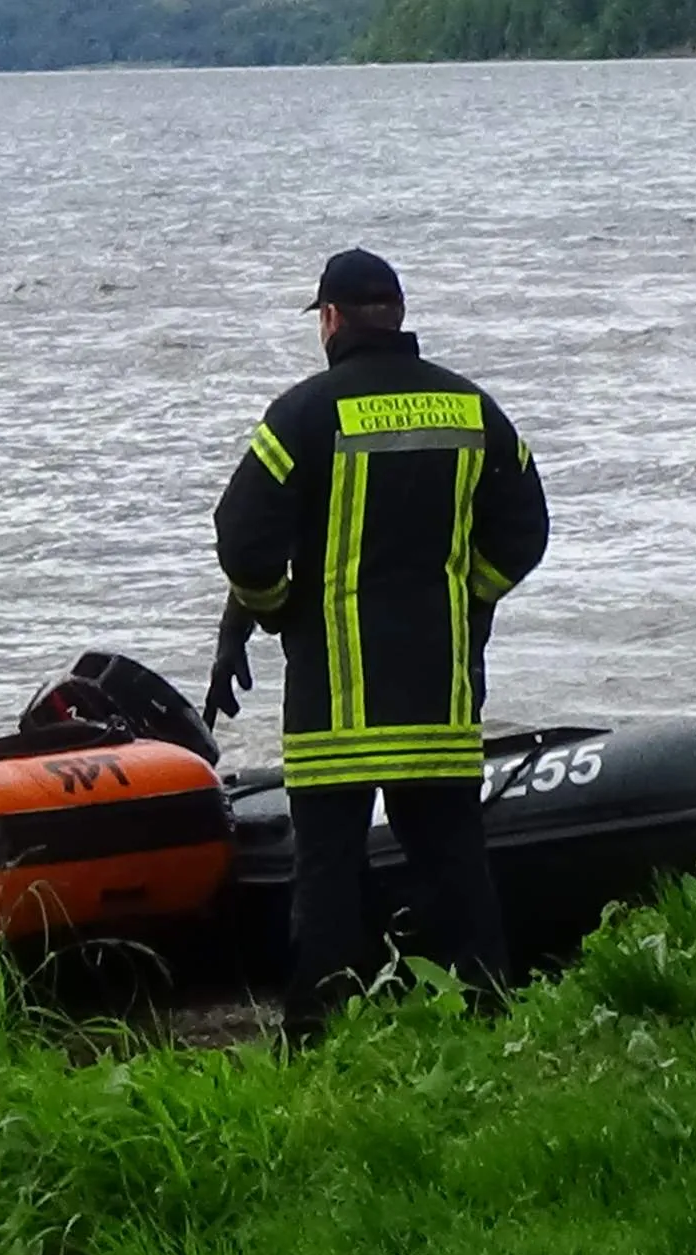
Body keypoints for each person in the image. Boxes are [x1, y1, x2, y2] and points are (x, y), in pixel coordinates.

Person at [203, 247, 550, 1037]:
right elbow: (527, 530)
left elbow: (242, 536)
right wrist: (472, 597)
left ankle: (319, 1043)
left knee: (326, 881)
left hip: (337, 706)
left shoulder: (303, 414)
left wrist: (275, 610)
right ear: (396, 314)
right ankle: (487, 1028)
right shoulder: (472, 410)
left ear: (329, 320)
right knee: (457, 875)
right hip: (439, 698)